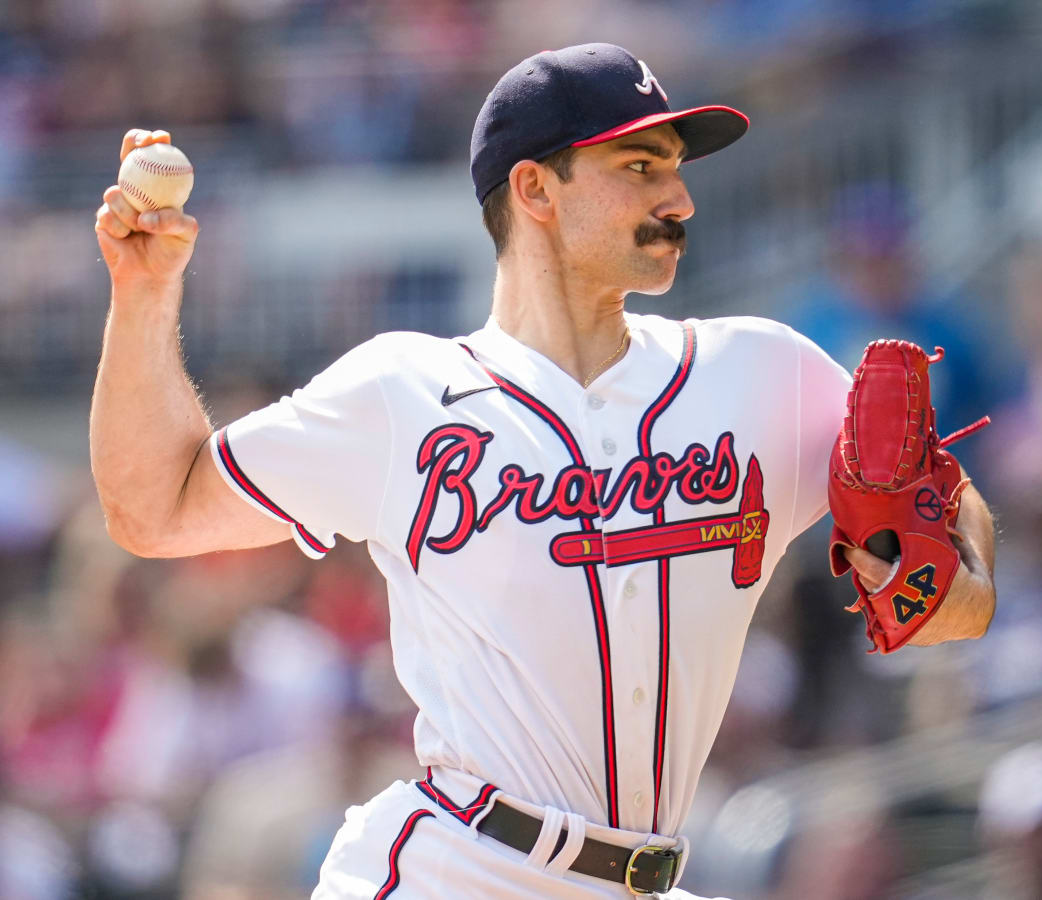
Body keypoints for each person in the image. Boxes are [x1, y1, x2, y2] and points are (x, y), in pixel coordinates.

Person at [91, 43, 996, 900]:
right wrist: (144, 298)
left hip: (646, 872)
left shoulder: (766, 374)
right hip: (459, 868)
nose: (679, 197)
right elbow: (153, 510)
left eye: (677, 167)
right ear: (534, 189)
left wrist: (961, 577)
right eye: (639, 167)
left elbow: (950, 512)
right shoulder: (404, 393)